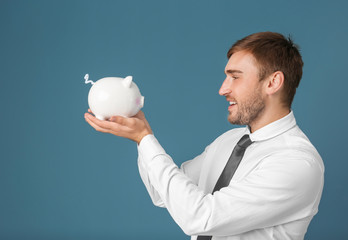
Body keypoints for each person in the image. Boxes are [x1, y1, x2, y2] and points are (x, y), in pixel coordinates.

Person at [84, 32, 324, 240]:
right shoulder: (230, 141)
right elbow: (163, 194)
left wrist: (145, 139)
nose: (223, 89)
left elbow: (199, 216)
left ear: (273, 82)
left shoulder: (296, 162)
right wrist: (140, 137)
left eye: (235, 76)